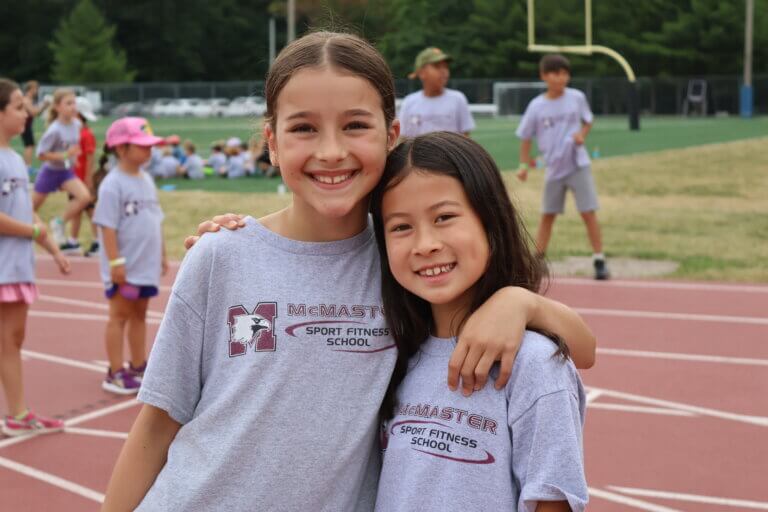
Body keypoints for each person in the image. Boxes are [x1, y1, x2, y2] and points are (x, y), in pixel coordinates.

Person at [102, 32, 595, 511]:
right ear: (271, 142)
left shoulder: (403, 261)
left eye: (356, 125)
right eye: (303, 128)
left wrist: (520, 300)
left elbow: (583, 351)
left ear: (391, 135)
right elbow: (157, 424)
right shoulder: (220, 257)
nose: (332, 151)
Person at [370, 132, 588, 511]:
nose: (425, 244)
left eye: (444, 217)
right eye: (401, 227)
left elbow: (552, 500)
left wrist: (521, 302)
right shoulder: (393, 352)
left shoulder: (533, 363)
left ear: (491, 220)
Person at [0, 78, 71, 436]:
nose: (26, 112)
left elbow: (27, 212)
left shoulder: (13, 159)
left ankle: (17, 413)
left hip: (15, 269)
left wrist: (54, 250)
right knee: (7, 341)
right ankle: (18, 413)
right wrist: (31, 232)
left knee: (11, 341)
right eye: (16, 106)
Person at [516, 54, 609, 280]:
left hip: (578, 164)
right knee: (548, 214)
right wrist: (523, 165)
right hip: (554, 167)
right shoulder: (537, 106)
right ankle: (538, 260)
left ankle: (599, 259)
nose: (561, 78)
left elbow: (588, 120)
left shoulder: (576, 97)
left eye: (565, 73)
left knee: (588, 212)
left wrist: (582, 135)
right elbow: (526, 136)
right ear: (544, 76)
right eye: (556, 73)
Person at [92, 117, 168, 395]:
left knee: (140, 313)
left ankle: (138, 365)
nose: (149, 151)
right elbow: (107, 226)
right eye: (142, 146)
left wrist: (161, 254)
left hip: (145, 263)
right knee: (120, 314)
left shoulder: (146, 179)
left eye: (150, 146)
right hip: (125, 265)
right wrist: (115, 262)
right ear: (121, 148)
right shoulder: (113, 184)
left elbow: (155, 219)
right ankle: (114, 371)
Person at [32, 88, 92, 247]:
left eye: (74, 103)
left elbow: (73, 145)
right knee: (28, 209)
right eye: (68, 103)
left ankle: (59, 222)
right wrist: (65, 155)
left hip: (66, 172)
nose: (73, 107)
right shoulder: (54, 130)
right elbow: (41, 154)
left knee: (85, 197)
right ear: (57, 107)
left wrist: (74, 158)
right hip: (50, 172)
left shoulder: (77, 124)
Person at [399, 47, 475, 137]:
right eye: (437, 66)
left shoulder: (458, 99)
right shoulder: (409, 102)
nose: (444, 71)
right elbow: (403, 138)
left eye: (446, 67)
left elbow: (465, 138)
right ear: (421, 73)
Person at [63, 96, 99, 256]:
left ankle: (99, 242)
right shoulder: (74, 134)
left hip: (82, 180)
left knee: (91, 211)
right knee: (78, 210)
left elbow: (90, 158)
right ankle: (73, 241)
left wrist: (88, 179)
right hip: (74, 179)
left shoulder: (86, 134)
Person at [20, 80, 49, 174]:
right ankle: (27, 167)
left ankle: (27, 166)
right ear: (31, 89)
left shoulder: (28, 99)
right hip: (25, 125)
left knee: (30, 145)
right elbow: (34, 112)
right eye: (35, 88)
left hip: (27, 125)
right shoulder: (26, 100)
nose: (37, 91)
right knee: (29, 145)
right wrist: (44, 106)